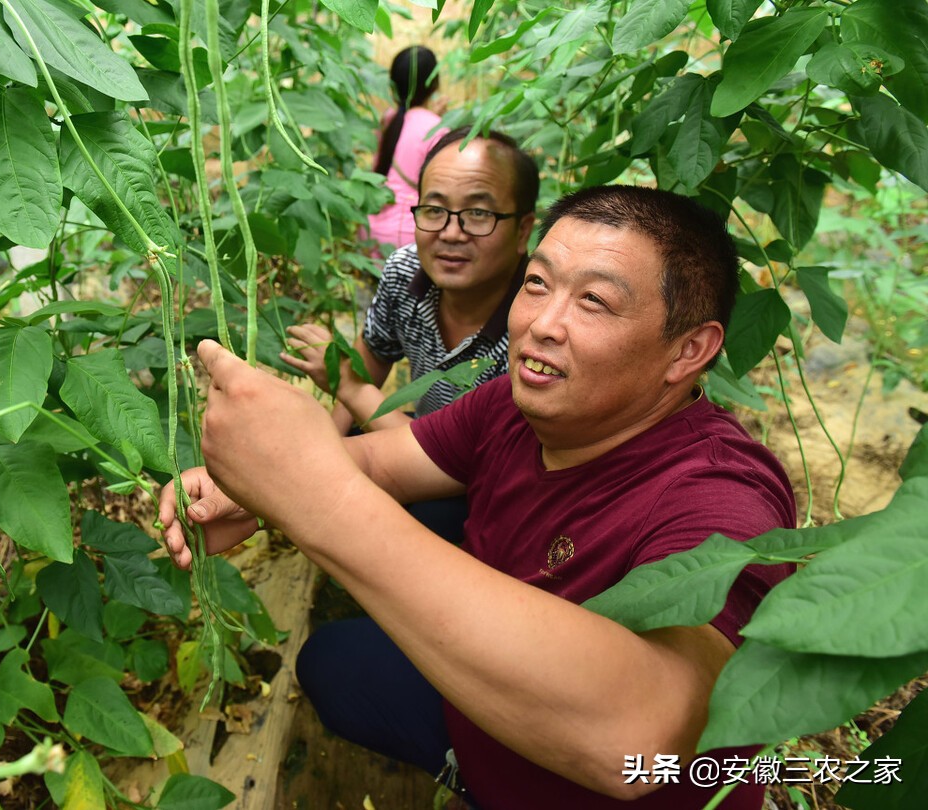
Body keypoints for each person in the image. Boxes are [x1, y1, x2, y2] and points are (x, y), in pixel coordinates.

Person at [159, 186, 796, 809]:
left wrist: (314, 498)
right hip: (488, 721)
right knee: (332, 667)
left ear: (690, 350)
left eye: (595, 301)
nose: (542, 325)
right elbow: (382, 461)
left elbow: (642, 736)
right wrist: (247, 488)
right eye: (538, 283)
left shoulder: (724, 500)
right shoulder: (517, 405)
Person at [281, 127, 540, 437]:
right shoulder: (405, 270)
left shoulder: (538, 328)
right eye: (434, 209)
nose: (451, 233)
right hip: (420, 434)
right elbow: (373, 357)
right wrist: (331, 447)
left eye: (478, 213)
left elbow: (462, 464)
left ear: (522, 231)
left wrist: (347, 385)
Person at [365, 45, 448, 253]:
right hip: (408, 242)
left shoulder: (389, 119)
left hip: (370, 234)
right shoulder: (437, 129)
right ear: (435, 83)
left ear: (393, 86)